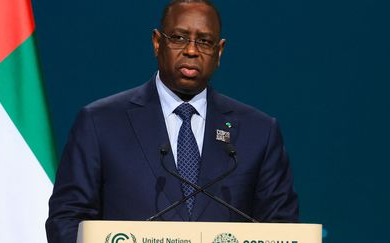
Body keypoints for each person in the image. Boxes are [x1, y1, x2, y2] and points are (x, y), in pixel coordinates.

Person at [46, 0, 298, 242]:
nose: (191, 50)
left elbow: (282, 227)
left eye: (205, 41)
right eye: (178, 38)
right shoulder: (99, 123)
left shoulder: (259, 132)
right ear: (157, 42)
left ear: (219, 51)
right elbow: (67, 219)